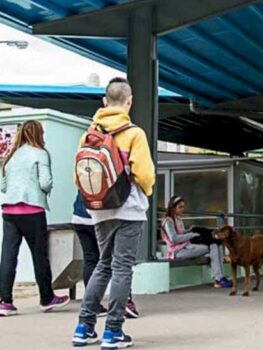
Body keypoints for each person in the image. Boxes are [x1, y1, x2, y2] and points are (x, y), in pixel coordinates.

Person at [72, 78, 155, 348]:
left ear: (104, 102)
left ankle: (84, 328)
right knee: (122, 268)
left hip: (99, 211)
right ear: (129, 101)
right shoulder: (134, 133)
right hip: (128, 210)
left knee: (103, 265)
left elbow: (78, 177)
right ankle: (113, 331)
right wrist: (147, 192)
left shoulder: (88, 134)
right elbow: (144, 174)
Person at [0, 120, 70, 317]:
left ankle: (5, 302)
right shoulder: (40, 153)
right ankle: (46, 298)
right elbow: (45, 182)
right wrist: (47, 188)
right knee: (40, 256)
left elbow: (3, 187)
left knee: (8, 256)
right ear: (38, 134)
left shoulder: (11, 156)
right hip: (32, 211)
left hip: (9, 212)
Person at [71, 193, 140, 319]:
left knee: (95, 262)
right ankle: (123, 306)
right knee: (119, 264)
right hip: (110, 213)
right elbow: (146, 178)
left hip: (81, 214)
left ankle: (89, 314)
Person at [161, 195, 233, 288]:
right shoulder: (168, 221)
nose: (182, 209)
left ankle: (220, 277)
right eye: (180, 207)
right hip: (177, 251)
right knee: (213, 246)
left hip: (187, 246)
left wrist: (190, 230)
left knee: (216, 244)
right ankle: (218, 279)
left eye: (183, 206)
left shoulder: (178, 219)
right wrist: (191, 235)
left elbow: (181, 233)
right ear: (173, 208)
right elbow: (174, 238)